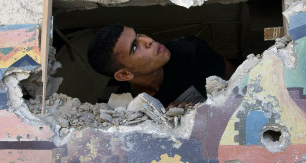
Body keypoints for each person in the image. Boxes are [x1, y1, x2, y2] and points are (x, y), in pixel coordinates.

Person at [87, 23, 235, 107]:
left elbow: (239, 80)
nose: (148, 40)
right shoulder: (128, 106)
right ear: (125, 74)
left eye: (138, 34)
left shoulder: (190, 50)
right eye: (134, 47)